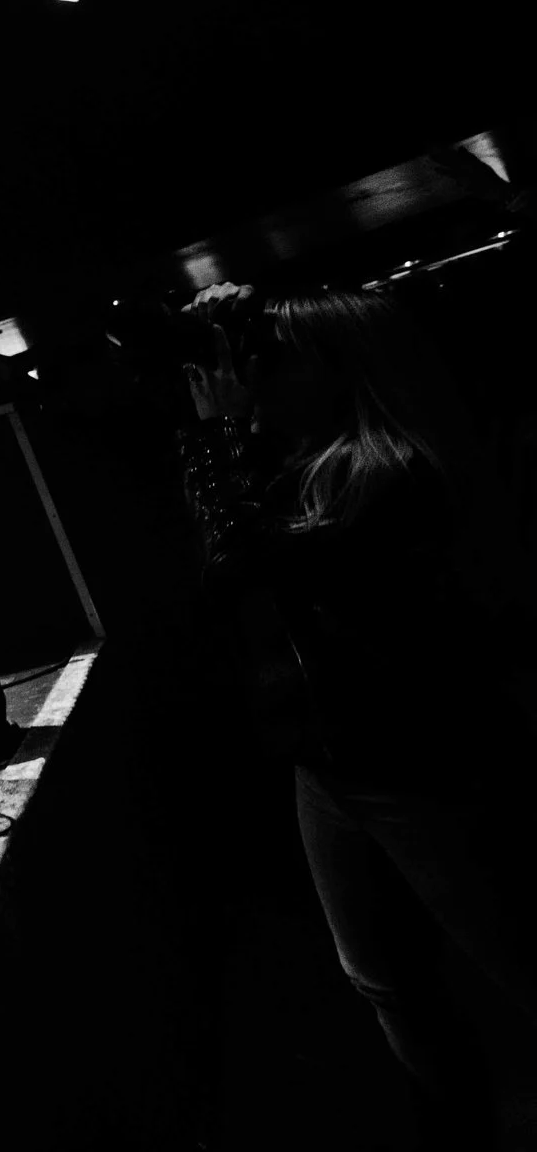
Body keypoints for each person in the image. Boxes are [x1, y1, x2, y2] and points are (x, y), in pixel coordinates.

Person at [181, 282, 535, 1149]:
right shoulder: (303, 463)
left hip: (418, 768)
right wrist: (213, 362)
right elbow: (228, 551)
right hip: (330, 767)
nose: (257, 377)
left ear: (342, 369)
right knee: (383, 981)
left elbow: (237, 562)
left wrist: (217, 429)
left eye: (276, 359)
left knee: (520, 961)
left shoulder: (393, 473)